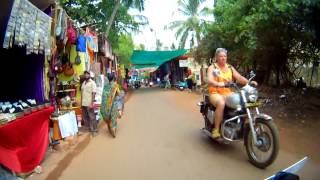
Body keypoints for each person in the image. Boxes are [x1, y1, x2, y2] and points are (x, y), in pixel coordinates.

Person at [207, 48, 257, 139]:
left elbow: (239, 77)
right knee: (221, 103)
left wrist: (249, 83)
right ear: (216, 57)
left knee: (243, 102)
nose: (223, 58)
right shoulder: (212, 67)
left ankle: (239, 127)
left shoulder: (230, 67)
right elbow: (209, 80)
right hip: (215, 92)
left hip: (227, 93)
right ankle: (216, 129)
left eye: (225, 56)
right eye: (221, 56)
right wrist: (218, 84)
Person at [100, 73, 120, 137]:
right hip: (113, 103)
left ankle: (109, 125)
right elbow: (119, 94)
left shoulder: (105, 86)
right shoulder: (115, 85)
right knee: (113, 116)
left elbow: (103, 96)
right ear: (113, 78)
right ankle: (113, 128)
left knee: (107, 116)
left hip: (105, 104)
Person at [81, 71, 97, 135]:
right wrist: (81, 102)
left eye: (87, 74)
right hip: (84, 103)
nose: (86, 75)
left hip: (89, 103)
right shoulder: (83, 83)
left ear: (90, 75)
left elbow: (94, 93)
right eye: (85, 74)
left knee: (92, 117)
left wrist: (92, 103)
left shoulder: (92, 83)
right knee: (85, 117)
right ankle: (89, 129)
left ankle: (95, 130)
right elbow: (82, 93)